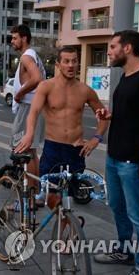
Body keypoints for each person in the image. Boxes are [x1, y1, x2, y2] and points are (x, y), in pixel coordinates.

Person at [93, 30, 139, 275]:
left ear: (127, 48)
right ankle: (125, 252)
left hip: (133, 161)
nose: (109, 51)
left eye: (113, 46)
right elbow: (135, 113)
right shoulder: (126, 77)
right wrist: (110, 115)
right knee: (117, 206)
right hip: (114, 157)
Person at [15, 46, 109, 208]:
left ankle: (67, 232)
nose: (71, 65)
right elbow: (34, 112)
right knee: (53, 198)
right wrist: (29, 133)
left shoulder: (85, 90)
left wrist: (96, 138)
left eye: (74, 61)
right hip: (53, 149)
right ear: (58, 64)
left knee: (69, 199)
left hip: (75, 150)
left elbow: (104, 116)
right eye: (66, 61)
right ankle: (59, 219)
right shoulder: (46, 86)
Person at [10, 24, 46, 191]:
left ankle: (29, 195)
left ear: (24, 38)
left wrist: (19, 94)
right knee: (31, 153)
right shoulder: (34, 55)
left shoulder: (26, 57)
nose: (12, 41)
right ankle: (35, 192)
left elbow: (37, 78)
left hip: (27, 107)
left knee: (23, 152)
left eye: (15, 38)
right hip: (34, 107)